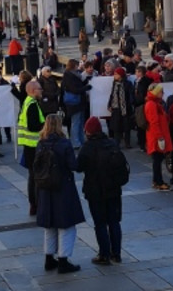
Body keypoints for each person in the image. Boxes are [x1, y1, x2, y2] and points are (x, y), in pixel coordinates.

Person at [35, 113, 84, 274]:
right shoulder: (64, 143)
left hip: (45, 188)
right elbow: (73, 165)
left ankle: (49, 259)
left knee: (49, 225)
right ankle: (63, 260)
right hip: (62, 188)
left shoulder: (41, 143)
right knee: (66, 225)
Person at [77, 116, 124, 265]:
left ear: (88, 132)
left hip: (95, 191)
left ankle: (104, 254)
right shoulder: (112, 144)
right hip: (113, 189)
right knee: (114, 222)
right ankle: (116, 254)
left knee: (100, 223)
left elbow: (78, 167)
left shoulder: (87, 147)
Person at [17, 79, 45, 216]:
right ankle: (36, 204)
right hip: (34, 146)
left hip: (28, 145)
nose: (41, 91)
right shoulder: (32, 104)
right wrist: (46, 126)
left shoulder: (27, 102)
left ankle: (34, 204)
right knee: (36, 177)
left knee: (32, 176)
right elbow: (33, 126)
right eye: (40, 89)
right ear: (33, 91)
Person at [144, 83, 173, 191]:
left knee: (157, 159)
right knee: (157, 159)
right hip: (156, 136)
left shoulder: (155, 103)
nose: (163, 93)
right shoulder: (152, 104)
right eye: (161, 91)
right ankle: (158, 182)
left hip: (156, 135)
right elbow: (154, 122)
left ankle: (156, 181)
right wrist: (160, 137)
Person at [61, 59, 91, 148]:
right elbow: (74, 89)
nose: (79, 67)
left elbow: (79, 85)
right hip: (74, 103)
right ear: (74, 66)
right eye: (77, 65)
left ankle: (81, 140)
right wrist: (86, 88)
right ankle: (75, 142)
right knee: (76, 122)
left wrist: (86, 81)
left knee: (80, 122)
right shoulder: (68, 76)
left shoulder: (74, 74)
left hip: (79, 102)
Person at [107, 67, 133, 149]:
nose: (114, 76)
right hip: (116, 107)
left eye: (116, 74)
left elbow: (130, 96)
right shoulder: (114, 84)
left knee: (126, 126)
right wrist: (109, 104)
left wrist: (129, 104)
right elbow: (112, 95)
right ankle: (116, 142)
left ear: (120, 75)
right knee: (116, 126)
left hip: (125, 108)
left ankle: (127, 142)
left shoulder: (127, 84)